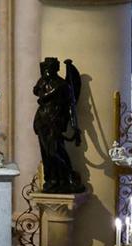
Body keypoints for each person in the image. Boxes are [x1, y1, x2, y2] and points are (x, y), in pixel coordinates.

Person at [33, 57, 85, 194]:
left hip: (54, 122)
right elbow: (36, 91)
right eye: (44, 68)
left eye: (47, 68)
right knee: (46, 153)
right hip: (42, 121)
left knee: (55, 151)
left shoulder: (62, 85)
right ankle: (52, 179)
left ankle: (68, 176)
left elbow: (70, 107)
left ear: (54, 69)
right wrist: (43, 81)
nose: (45, 71)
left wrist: (74, 127)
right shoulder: (43, 81)